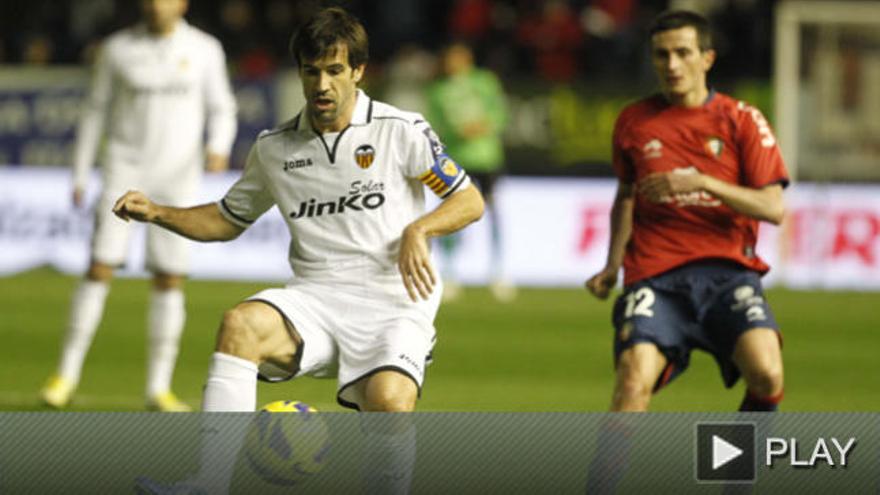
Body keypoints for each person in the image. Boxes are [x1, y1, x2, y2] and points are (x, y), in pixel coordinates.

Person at [117, 7, 483, 493]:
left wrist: (421, 229)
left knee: (390, 402)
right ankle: (207, 484)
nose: (323, 85)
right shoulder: (275, 149)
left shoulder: (400, 131)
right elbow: (226, 220)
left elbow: (468, 199)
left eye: (335, 70)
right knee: (240, 324)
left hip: (393, 303)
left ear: (358, 71)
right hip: (316, 299)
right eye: (312, 71)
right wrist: (158, 212)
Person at [585, 10, 787, 413]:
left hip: (727, 274)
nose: (672, 65)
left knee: (767, 374)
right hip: (654, 276)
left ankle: (735, 474)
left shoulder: (741, 120)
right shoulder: (633, 121)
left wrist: (703, 182)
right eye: (662, 55)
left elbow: (773, 208)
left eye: (682, 53)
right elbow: (627, 195)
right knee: (631, 381)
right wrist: (611, 266)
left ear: (706, 58)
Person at [40, 0, 237, 412]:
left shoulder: (205, 49)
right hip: (123, 170)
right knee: (99, 267)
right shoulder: (117, 49)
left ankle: (158, 388)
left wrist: (218, 147)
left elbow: (223, 107)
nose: (155, 4)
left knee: (169, 277)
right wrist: (80, 170)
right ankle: (65, 376)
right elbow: (95, 110)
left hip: (178, 177)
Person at [426, 40, 513, 301]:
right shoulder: (438, 90)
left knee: (493, 213)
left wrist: (482, 125)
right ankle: (450, 273)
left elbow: (500, 113)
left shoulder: (484, 81)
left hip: (487, 158)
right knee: (452, 216)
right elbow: (435, 125)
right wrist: (456, 131)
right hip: (456, 160)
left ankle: (498, 272)